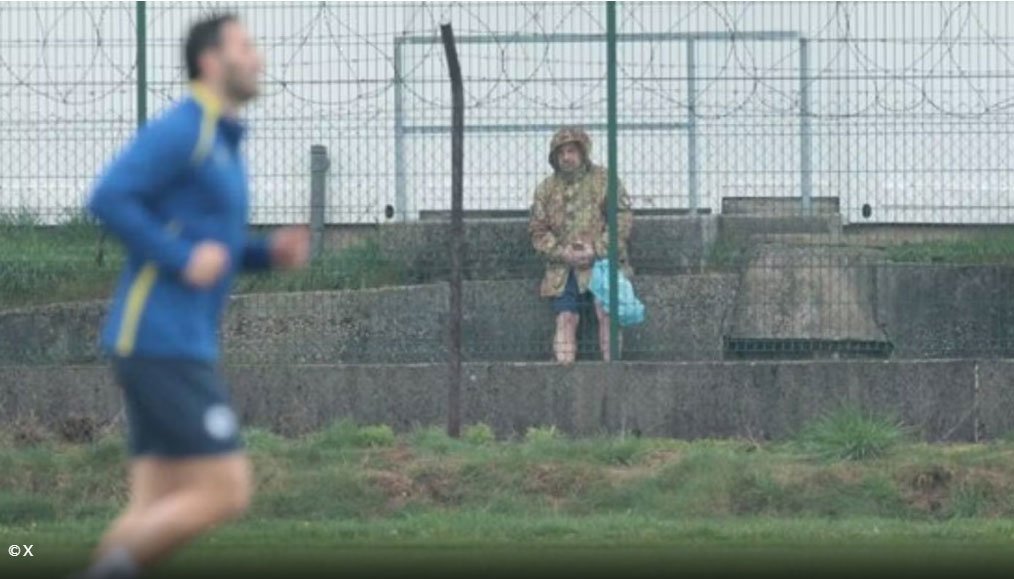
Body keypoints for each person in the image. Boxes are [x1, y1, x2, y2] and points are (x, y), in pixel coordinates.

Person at [76, 14, 309, 579]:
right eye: (246, 47)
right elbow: (109, 197)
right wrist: (180, 258)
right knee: (225, 490)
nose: (258, 58)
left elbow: (213, 245)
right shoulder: (187, 128)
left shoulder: (222, 142)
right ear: (211, 61)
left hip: (171, 341)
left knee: (152, 507)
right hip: (162, 340)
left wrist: (262, 254)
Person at [529, 127, 633, 364]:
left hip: (602, 263)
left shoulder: (604, 180)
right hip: (563, 270)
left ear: (583, 152)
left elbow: (622, 218)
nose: (566, 157)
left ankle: (612, 371)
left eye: (572, 151)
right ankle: (565, 374)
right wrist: (561, 252)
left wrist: (597, 249)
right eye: (561, 152)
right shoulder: (546, 189)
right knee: (566, 318)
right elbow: (537, 230)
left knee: (606, 312)